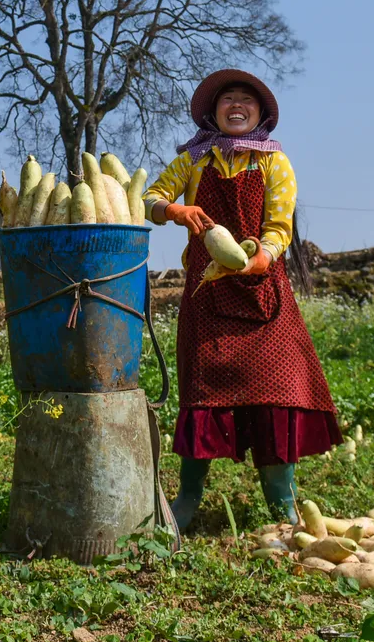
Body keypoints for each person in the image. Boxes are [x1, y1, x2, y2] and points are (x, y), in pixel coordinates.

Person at [143, 69, 342, 530]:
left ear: (260, 113)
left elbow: (278, 227)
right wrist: (172, 208)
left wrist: (262, 258)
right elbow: (148, 198)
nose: (236, 105)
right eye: (226, 99)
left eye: (245, 100)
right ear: (213, 112)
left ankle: (282, 503)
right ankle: (188, 498)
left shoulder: (275, 163)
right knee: (204, 394)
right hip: (207, 297)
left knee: (279, 392)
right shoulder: (193, 160)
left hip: (263, 294)